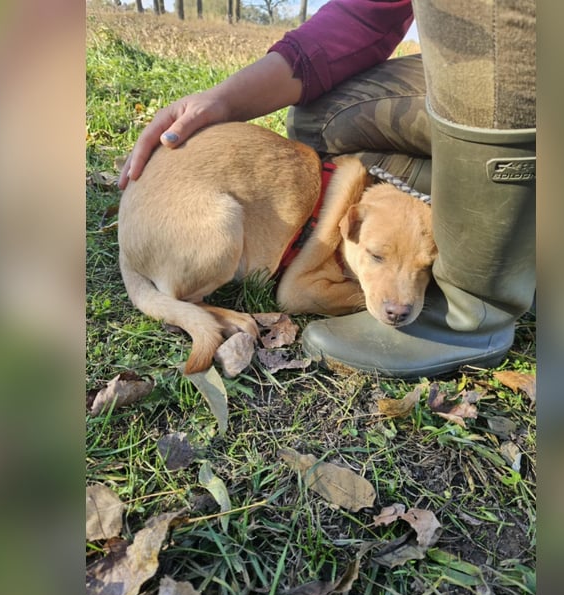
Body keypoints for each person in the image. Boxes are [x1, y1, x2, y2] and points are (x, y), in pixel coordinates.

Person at [119, 0, 536, 378]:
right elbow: (367, 12)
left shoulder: (366, 225)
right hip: (173, 229)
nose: (398, 302)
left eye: (423, 268)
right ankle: (188, 299)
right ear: (347, 224)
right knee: (316, 115)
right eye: (376, 255)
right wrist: (224, 99)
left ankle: (473, 316)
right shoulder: (352, 218)